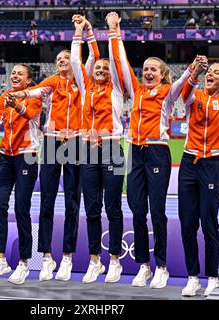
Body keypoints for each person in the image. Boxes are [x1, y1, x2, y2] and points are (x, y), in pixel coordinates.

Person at [9, 20, 98, 282]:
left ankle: (67, 257)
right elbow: (35, 92)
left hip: (75, 144)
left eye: (67, 57)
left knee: (72, 201)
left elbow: (93, 56)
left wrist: (85, 33)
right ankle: (46, 257)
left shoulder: (83, 79)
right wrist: (20, 96)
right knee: (46, 200)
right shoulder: (52, 81)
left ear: (75, 60)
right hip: (50, 143)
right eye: (59, 58)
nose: (62, 60)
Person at [115, 12, 196, 289]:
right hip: (135, 152)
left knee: (157, 210)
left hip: (157, 152)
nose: (147, 72)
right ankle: (143, 265)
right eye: (146, 69)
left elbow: (182, 83)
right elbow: (122, 64)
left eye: (154, 69)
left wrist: (192, 70)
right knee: (137, 210)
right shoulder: (136, 90)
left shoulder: (167, 93)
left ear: (162, 74)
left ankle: (161, 265)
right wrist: (115, 31)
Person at [178, 21, 219, 297]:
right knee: (187, 223)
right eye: (210, 71)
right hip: (188, 163)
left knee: (209, 223)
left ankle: (213, 277)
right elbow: (182, 92)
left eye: (217, 72)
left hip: (211, 165)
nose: (211, 74)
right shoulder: (195, 97)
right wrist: (195, 69)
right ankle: (193, 276)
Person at [70, 14, 125, 283]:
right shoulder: (85, 87)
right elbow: (74, 61)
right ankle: (95, 260)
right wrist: (81, 32)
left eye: (105, 69)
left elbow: (115, 61)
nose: (101, 70)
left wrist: (111, 31)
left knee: (112, 207)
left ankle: (115, 259)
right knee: (91, 208)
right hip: (88, 150)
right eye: (98, 68)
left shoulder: (115, 88)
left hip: (113, 149)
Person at [0, 64, 42, 284]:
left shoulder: (35, 96)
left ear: (29, 80)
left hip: (27, 155)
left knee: (22, 207)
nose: (14, 76)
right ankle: (0, 258)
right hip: (5, 156)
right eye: (13, 73)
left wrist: (16, 105)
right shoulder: (5, 96)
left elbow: (29, 114)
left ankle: (24, 262)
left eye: (20, 73)